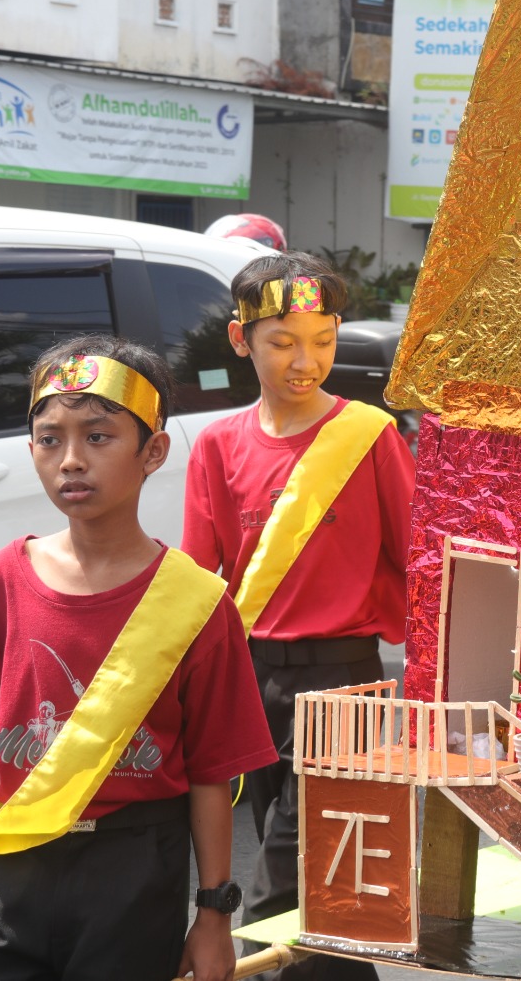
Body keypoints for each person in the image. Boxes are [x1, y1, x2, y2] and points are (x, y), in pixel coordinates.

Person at [0, 336, 275, 981]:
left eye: (98, 437)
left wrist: (212, 916)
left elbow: (212, 773)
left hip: (137, 874)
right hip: (11, 869)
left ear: (154, 452)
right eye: (49, 438)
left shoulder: (197, 601)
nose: (70, 461)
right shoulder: (5, 577)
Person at [182, 252, 415, 980]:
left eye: (322, 339)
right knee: (328, 891)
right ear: (239, 340)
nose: (304, 360)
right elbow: (199, 584)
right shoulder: (217, 446)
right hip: (251, 679)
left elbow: (418, 561)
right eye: (281, 341)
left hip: (346, 684)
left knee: (287, 876)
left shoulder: (370, 435)